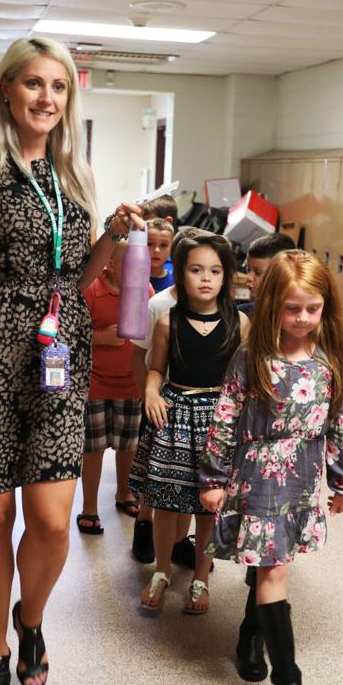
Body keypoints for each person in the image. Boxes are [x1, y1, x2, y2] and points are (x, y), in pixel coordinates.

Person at [0, 36, 146, 685]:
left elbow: (73, 279)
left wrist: (108, 236)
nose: (46, 98)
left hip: (57, 360)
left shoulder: (68, 175)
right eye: (33, 85)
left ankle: (32, 616)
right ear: (6, 91)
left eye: (58, 87)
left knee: (52, 520)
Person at [199, 250, 343, 685]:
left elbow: (338, 424)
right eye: (293, 309)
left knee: (274, 563)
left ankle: (252, 631)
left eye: (313, 309)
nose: (303, 319)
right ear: (271, 306)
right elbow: (224, 419)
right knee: (273, 568)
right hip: (260, 475)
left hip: (304, 477)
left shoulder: (327, 362)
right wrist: (212, 478)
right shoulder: (251, 360)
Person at [130, 232, 248, 615]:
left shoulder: (240, 323)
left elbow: (243, 379)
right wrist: (151, 392)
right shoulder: (168, 320)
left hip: (219, 421)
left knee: (207, 504)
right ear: (181, 273)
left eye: (215, 270)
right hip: (175, 416)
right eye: (196, 269)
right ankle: (161, 571)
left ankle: (201, 576)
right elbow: (154, 370)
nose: (206, 278)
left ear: (227, 275)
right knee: (165, 501)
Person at [128, 225, 211, 566]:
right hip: (161, 403)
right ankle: (144, 527)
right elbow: (139, 357)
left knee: (188, 481)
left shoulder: (213, 308)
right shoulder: (158, 306)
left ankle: (179, 542)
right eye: (195, 267)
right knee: (155, 478)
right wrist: (146, 398)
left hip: (195, 411)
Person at [77, 239, 154, 533]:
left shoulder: (145, 292)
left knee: (128, 446)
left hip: (130, 384)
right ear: (109, 264)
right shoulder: (93, 291)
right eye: (133, 263)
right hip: (95, 383)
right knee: (93, 448)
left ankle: (125, 492)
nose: (140, 268)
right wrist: (101, 337)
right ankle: (89, 506)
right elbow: (72, 332)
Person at [237, 231, 296, 316]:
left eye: (258, 273)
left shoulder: (296, 319)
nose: (249, 278)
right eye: (248, 270)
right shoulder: (241, 314)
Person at [146, 216, 175, 291]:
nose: (157, 250)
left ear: (171, 249)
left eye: (163, 245)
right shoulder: (131, 278)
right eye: (149, 244)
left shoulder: (175, 285)